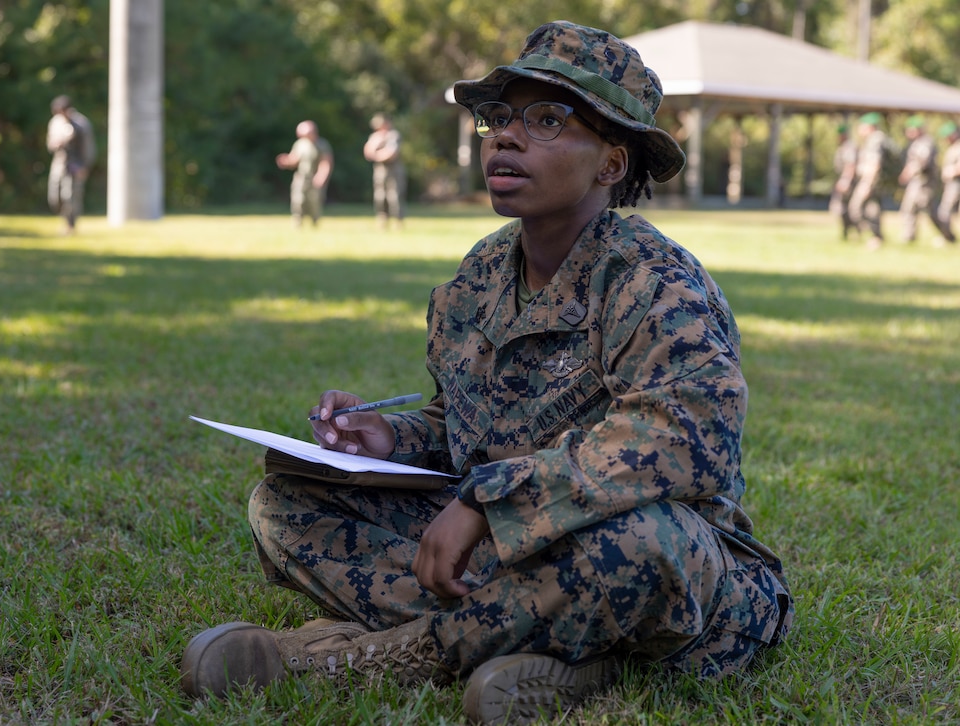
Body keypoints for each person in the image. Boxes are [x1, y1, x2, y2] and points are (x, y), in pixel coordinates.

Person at [181, 22, 793, 725]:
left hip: (669, 564)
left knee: (642, 546)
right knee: (283, 502)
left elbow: (689, 437)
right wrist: (389, 439)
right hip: (512, 551)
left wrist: (488, 502)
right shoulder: (478, 276)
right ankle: (566, 654)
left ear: (612, 163)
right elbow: (463, 427)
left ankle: (353, 658)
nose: (505, 137)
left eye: (545, 119)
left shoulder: (652, 278)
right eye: (498, 118)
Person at [897, 116, 954, 245]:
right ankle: (909, 237)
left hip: (924, 183)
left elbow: (922, 162)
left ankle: (948, 235)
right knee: (908, 208)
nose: (908, 133)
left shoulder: (926, 142)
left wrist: (910, 172)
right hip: (916, 182)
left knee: (931, 212)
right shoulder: (914, 143)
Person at [46, 95, 96, 234]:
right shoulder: (55, 123)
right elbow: (50, 144)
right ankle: (65, 220)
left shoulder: (81, 123)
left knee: (71, 197)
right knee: (55, 197)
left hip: (76, 164)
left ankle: (70, 226)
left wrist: (85, 166)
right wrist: (58, 142)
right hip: (59, 163)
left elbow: (88, 147)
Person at [275, 120, 333, 227]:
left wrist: (321, 176)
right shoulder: (300, 144)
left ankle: (315, 223)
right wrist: (286, 161)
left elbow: (326, 162)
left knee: (314, 202)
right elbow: (294, 160)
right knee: (298, 200)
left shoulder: (321, 144)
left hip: (314, 177)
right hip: (301, 177)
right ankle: (298, 224)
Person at [847, 111, 888, 249]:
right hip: (873, 181)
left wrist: (867, 184)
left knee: (856, 207)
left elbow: (874, 164)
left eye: (861, 126)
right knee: (872, 209)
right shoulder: (875, 139)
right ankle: (875, 237)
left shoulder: (875, 140)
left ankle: (873, 236)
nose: (859, 130)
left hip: (870, 180)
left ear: (869, 127)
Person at [362, 113, 406, 228]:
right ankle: (382, 219)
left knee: (394, 196)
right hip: (380, 171)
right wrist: (376, 146)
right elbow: (367, 152)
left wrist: (376, 155)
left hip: (394, 170)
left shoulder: (393, 135)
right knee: (379, 196)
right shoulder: (375, 137)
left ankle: (398, 220)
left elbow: (391, 154)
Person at [829, 123, 858, 241]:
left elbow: (850, 165)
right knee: (842, 209)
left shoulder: (848, 147)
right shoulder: (843, 147)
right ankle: (847, 232)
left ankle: (856, 230)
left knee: (846, 208)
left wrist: (845, 181)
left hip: (848, 183)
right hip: (844, 181)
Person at [936, 121, 960, 246]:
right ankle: (948, 237)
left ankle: (948, 237)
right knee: (944, 212)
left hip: (956, 184)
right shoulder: (952, 147)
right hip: (952, 185)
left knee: (944, 212)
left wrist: (952, 171)